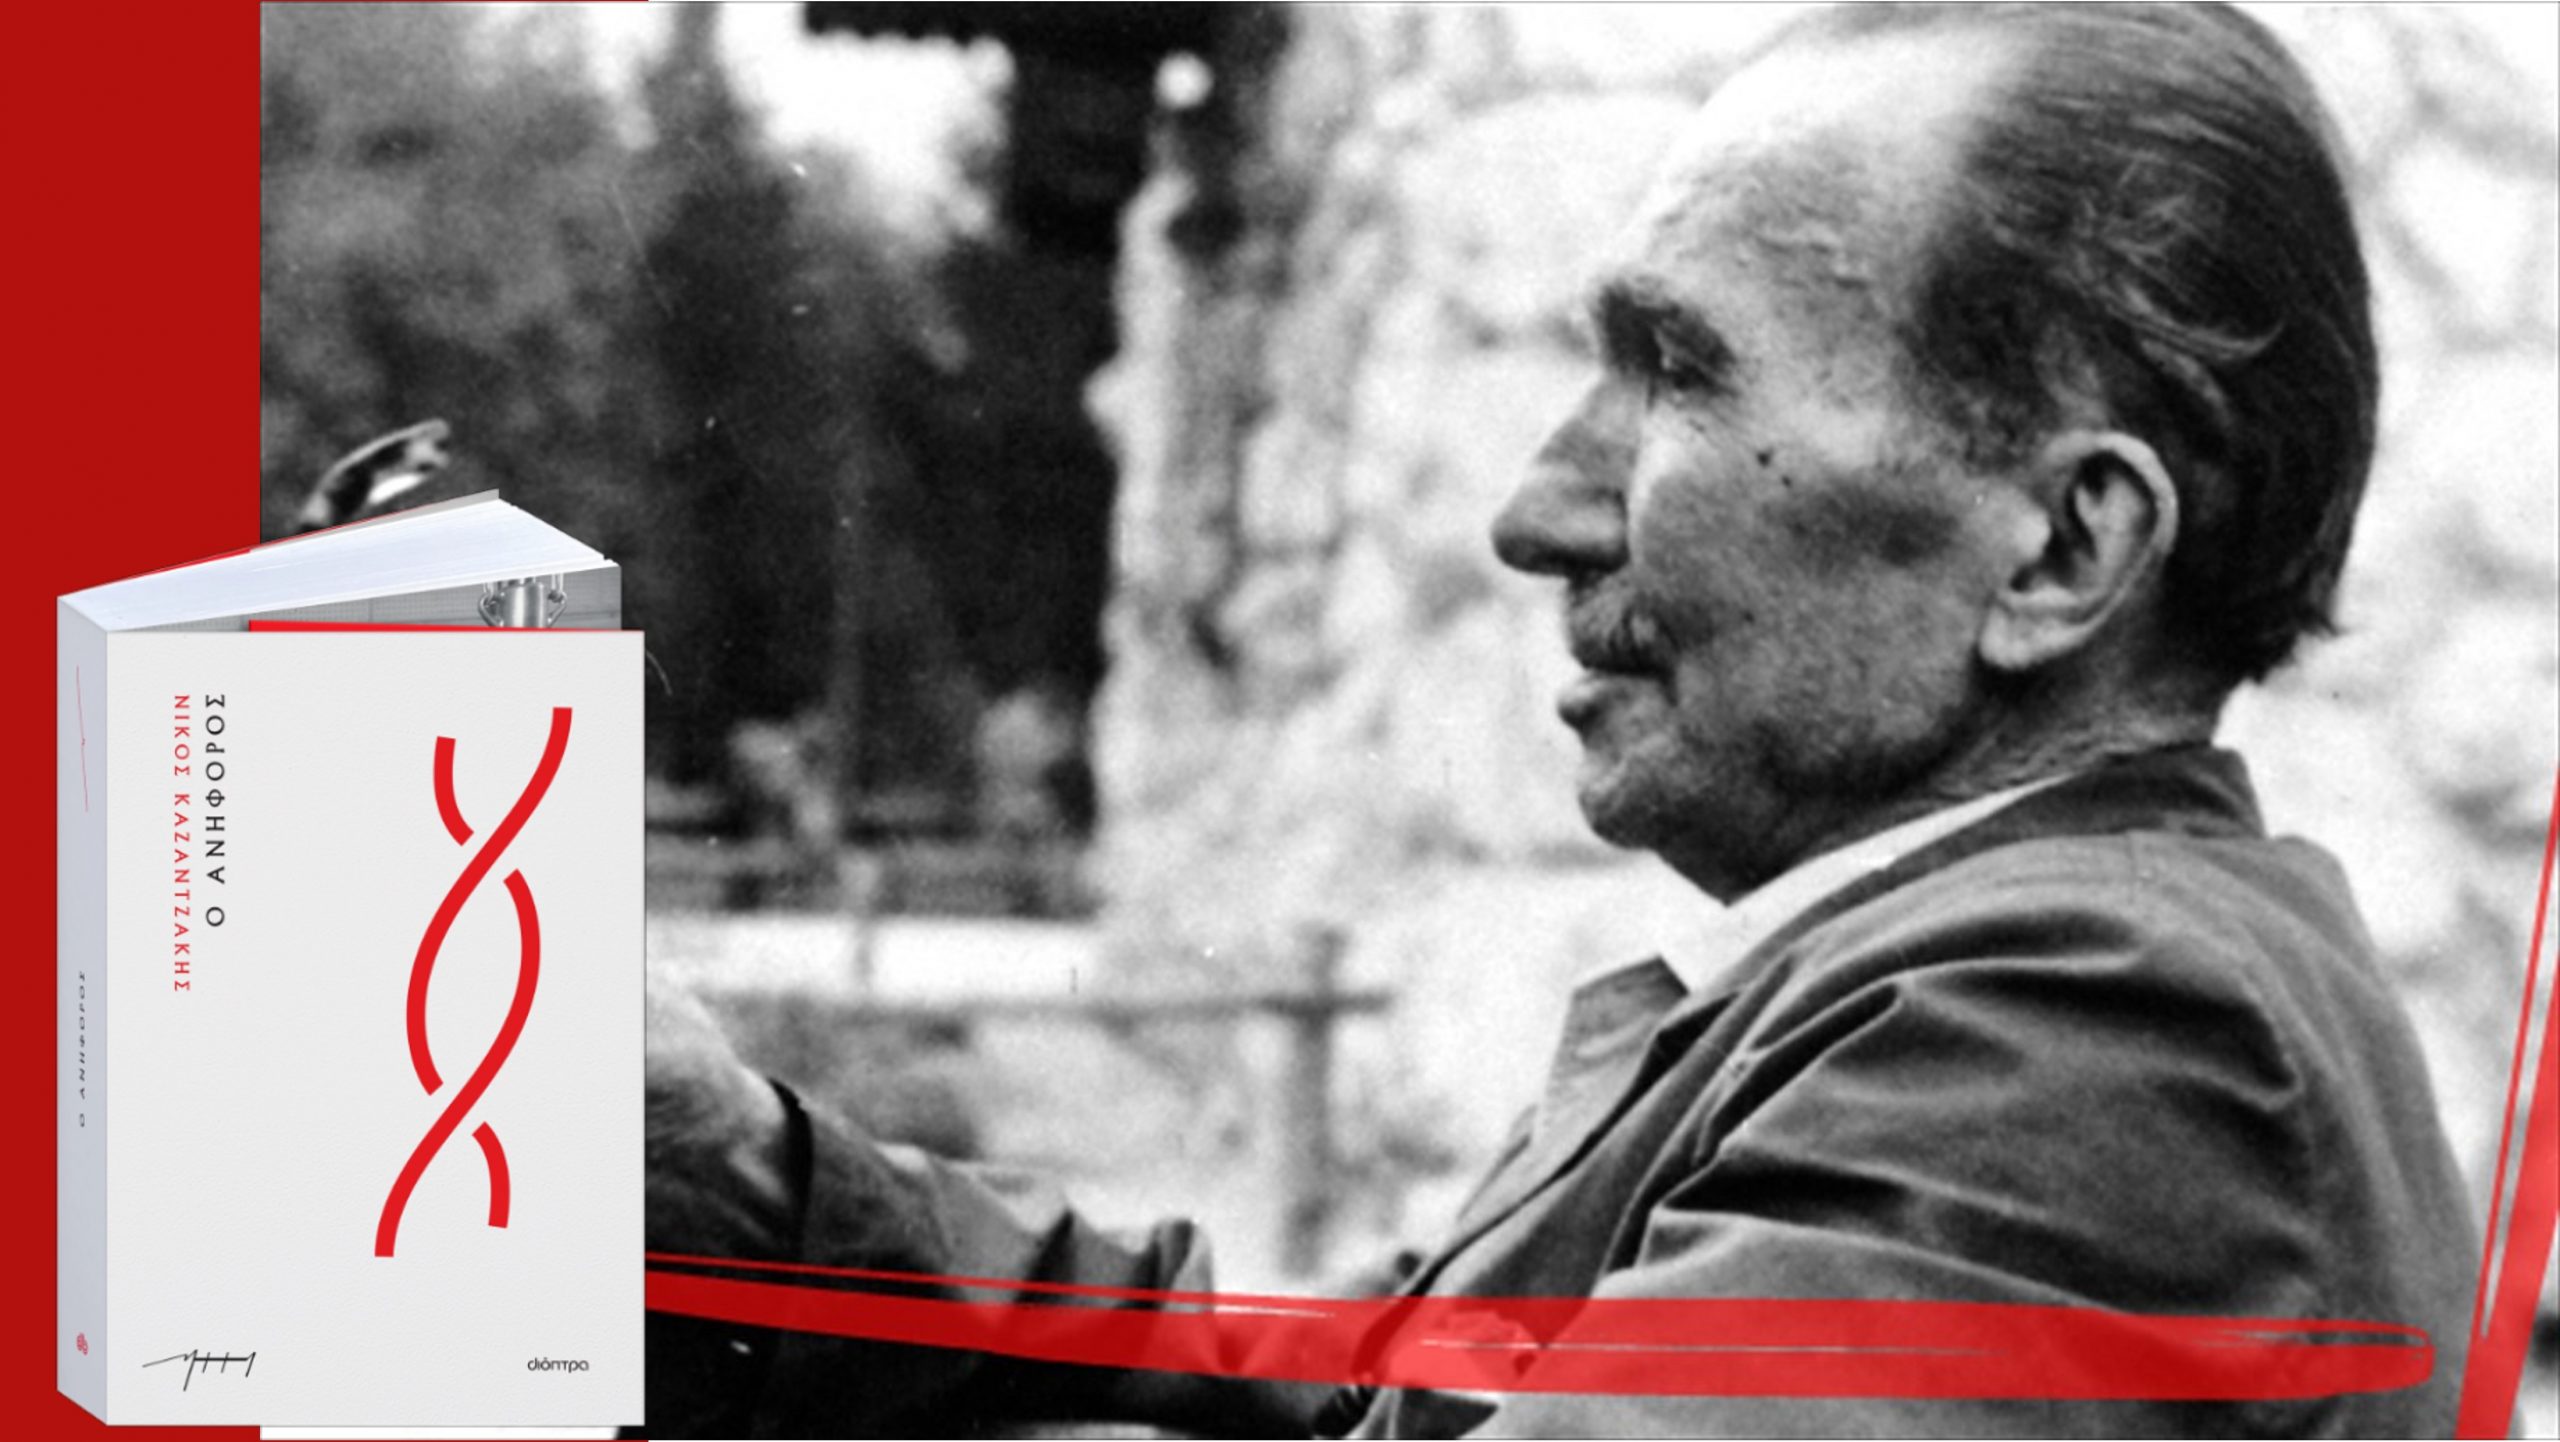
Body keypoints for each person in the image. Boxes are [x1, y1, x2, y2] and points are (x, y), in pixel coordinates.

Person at [644, 4, 2480, 1435]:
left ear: (2064, 546)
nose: (1536, 511)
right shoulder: (2001, 981)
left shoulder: (2099, 1049)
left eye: (1681, 376)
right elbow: (1373, 1382)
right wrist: (750, 1177)